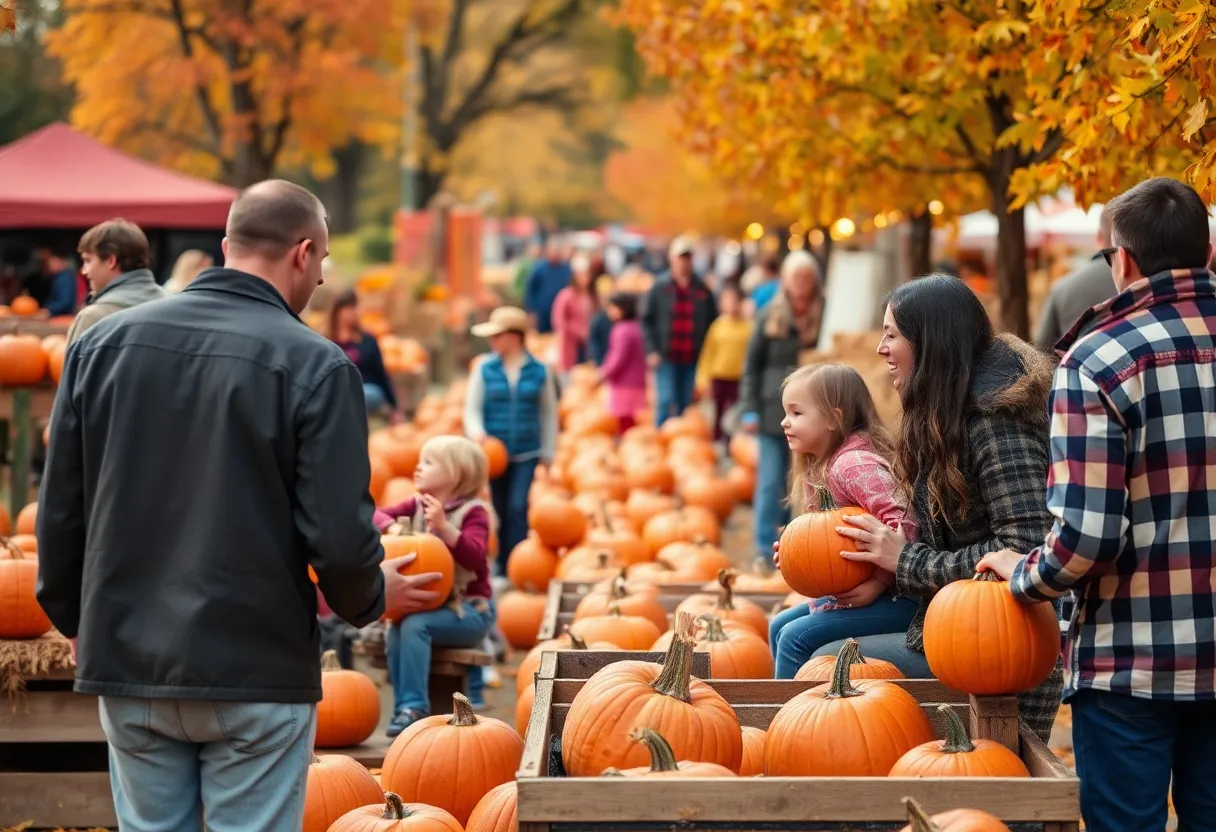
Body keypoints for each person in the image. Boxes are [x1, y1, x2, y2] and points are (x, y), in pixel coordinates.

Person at [36, 180, 440, 832]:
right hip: (256, 664)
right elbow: (337, 536)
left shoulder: (99, 347)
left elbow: (59, 506)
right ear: (304, 254)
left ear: (227, 246)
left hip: (128, 655)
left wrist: (71, 615)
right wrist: (368, 596)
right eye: (325, 259)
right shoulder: (318, 366)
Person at [976, 178, 1216, 830]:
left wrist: (1023, 576)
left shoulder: (1100, 359)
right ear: (1210, 252)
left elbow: (1089, 539)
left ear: (1124, 260)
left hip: (1130, 661)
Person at [820, 274, 1062, 742]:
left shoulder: (996, 423)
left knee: (822, 661)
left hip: (1000, 650)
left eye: (893, 334)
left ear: (930, 342)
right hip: (951, 624)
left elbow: (1027, 549)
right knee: (809, 635)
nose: (881, 348)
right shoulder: (947, 409)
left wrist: (905, 561)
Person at [768, 363, 918, 678]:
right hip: (868, 592)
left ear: (834, 419)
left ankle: (792, 724)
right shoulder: (822, 467)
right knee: (779, 625)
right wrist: (799, 557)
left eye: (797, 413)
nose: (785, 422)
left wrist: (878, 582)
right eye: (786, 412)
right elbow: (829, 542)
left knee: (793, 639)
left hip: (902, 598)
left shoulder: (852, 465)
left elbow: (906, 522)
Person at [373, 436, 495, 736]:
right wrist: (391, 526)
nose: (417, 468)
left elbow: (477, 555)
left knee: (414, 626)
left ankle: (415, 706)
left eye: (428, 462)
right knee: (399, 624)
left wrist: (445, 528)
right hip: (426, 608)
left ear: (457, 472)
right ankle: (404, 707)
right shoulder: (416, 505)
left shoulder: (473, 512)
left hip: (469, 612)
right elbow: (372, 514)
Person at [740, 250, 824, 564]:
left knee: (801, 484)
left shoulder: (825, 312)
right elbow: (751, 365)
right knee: (771, 481)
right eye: (796, 276)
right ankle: (765, 548)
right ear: (786, 281)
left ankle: (793, 546)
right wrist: (748, 407)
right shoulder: (770, 315)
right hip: (772, 411)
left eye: (806, 276)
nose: (801, 283)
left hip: (814, 414)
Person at [464, 306, 558, 569]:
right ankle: (503, 564)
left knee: (518, 506)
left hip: (527, 450)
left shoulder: (540, 371)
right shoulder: (484, 368)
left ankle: (520, 561)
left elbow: (549, 412)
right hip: (495, 452)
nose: (492, 341)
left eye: (497, 335)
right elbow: (472, 408)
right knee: (501, 508)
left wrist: (549, 451)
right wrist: (478, 433)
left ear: (514, 337)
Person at [641, 236, 718, 426]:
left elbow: (713, 322)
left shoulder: (702, 289)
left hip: (692, 356)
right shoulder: (660, 287)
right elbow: (645, 320)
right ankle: (662, 439)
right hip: (666, 355)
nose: (684, 262)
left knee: (686, 403)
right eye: (681, 258)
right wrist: (651, 350)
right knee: (666, 401)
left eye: (688, 258)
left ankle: (681, 440)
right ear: (672, 259)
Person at [66, 219, 166, 345]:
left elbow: (74, 364)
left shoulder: (92, 318)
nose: (83, 271)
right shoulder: (173, 309)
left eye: (88, 261)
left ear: (110, 261)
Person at [1034, 208, 1115, 351]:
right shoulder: (1141, 281)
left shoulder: (1062, 287)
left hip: (1073, 369)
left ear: (1098, 237)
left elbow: (1042, 348)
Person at [327, 288, 401, 421]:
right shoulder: (326, 342)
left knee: (360, 395)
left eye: (355, 307)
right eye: (348, 308)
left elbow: (381, 374)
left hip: (367, 388)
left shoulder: (368, 341)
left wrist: (394, 406)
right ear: (338, 312)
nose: (353, 313)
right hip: (338, 390)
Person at [695, 284, 752, 442]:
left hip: (739, 378)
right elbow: (708, 353)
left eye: (734, 301)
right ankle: (718, 440)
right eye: (726, 301)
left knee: (735, 412)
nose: (730, 305)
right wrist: (703, 378)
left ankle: (732, 442)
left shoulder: (749, 327)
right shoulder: (717, 326)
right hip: (719, 376)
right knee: (719, 411)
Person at [598, 293, 647, 433]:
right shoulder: (637, 327)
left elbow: (618, 358)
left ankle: (627, 444)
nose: (609, 312)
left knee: (624, 418)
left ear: (623, 309)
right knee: (631, 417)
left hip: (624, 382)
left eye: (612, 308)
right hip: (637, 381)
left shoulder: (621, 331)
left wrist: (604, 373)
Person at [551, 254, 598, 379]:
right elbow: (559, 320)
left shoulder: (593, 296)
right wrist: (576, 330)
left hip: (588, 343)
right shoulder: (566, 296)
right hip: (571, 344)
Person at [523, 240, 573, 334]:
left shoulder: (565, 269)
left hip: (559, 309)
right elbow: (530, 289)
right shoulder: (539, 268)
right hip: (542, 310)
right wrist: (530, 310)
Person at [37, 244, 79, 316]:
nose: (47, 265)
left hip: (63, 318)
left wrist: (48, 310)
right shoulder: (57, 277)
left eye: (49, 261)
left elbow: (65, 302)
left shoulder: (64, 277)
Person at [586, 276, 616, 366]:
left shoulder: (620, 319)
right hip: (604, 362)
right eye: (603, 296)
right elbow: (593, 345)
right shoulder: (597, 320)